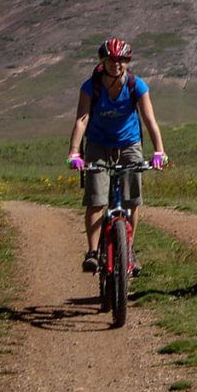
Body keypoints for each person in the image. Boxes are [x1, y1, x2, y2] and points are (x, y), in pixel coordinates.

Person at [66, 37, 168, 275]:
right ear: (103, 60)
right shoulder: (91, 86)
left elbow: (149, 120)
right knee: (97, 200)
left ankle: (129, 250)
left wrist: (159, 151)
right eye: (111, 60)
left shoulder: (137, 85)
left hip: (129, 144)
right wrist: (74, 152)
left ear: (127, 62)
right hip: (98, 145)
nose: (116, 65)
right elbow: (82, 120)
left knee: (132, 201)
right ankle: (92, 253)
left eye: (121, 60)